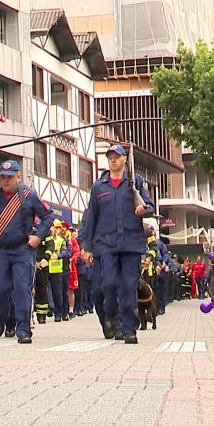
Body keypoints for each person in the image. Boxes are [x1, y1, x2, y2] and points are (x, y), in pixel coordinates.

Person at [80, 144, 154, 344]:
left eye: (117, 157)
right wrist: (87, 248)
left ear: (124, 160)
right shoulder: (99, 186)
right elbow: (92, 218)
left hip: (130, 242)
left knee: (129, 286)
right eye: (110, 157)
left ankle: (129, 328)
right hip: (106, 243)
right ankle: (111, 314)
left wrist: (143, 209)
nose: (113, 160)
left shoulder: (135, 182)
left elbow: (150, 206)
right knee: (109, 284)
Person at [0, 160, 53, 344]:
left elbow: (47, 216)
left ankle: (23, 329)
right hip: (0, 250)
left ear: (18, 176)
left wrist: (38, 236)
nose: (6, 181)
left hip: (22, 250)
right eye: (2, 176)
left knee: (21, 288)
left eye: (10, 177)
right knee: (0, 289)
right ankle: (0, 319)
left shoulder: (28, 195)